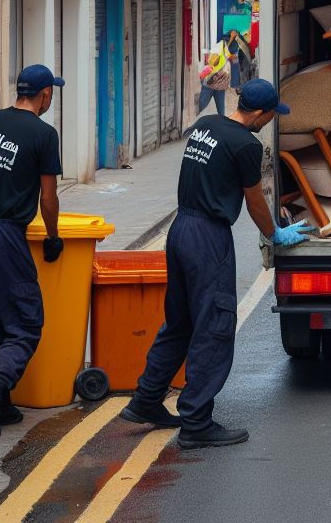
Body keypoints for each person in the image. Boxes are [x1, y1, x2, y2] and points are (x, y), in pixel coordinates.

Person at [120, 79, 315, 449]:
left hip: (181, 229)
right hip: (208, 237)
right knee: (215, 326)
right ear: (259, 114)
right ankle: (196, 422)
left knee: (180, 323)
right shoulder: (246, 144)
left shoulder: (206, 125)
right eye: (272, 115)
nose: (271, 121)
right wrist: (276, 233)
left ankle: (146, 399)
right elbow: (255, 201)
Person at [0, 65, 65, 438]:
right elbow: (48, 198)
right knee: (25, 321)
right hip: (3, 235)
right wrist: (52, 237)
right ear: (45, 94)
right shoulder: (43, 133)